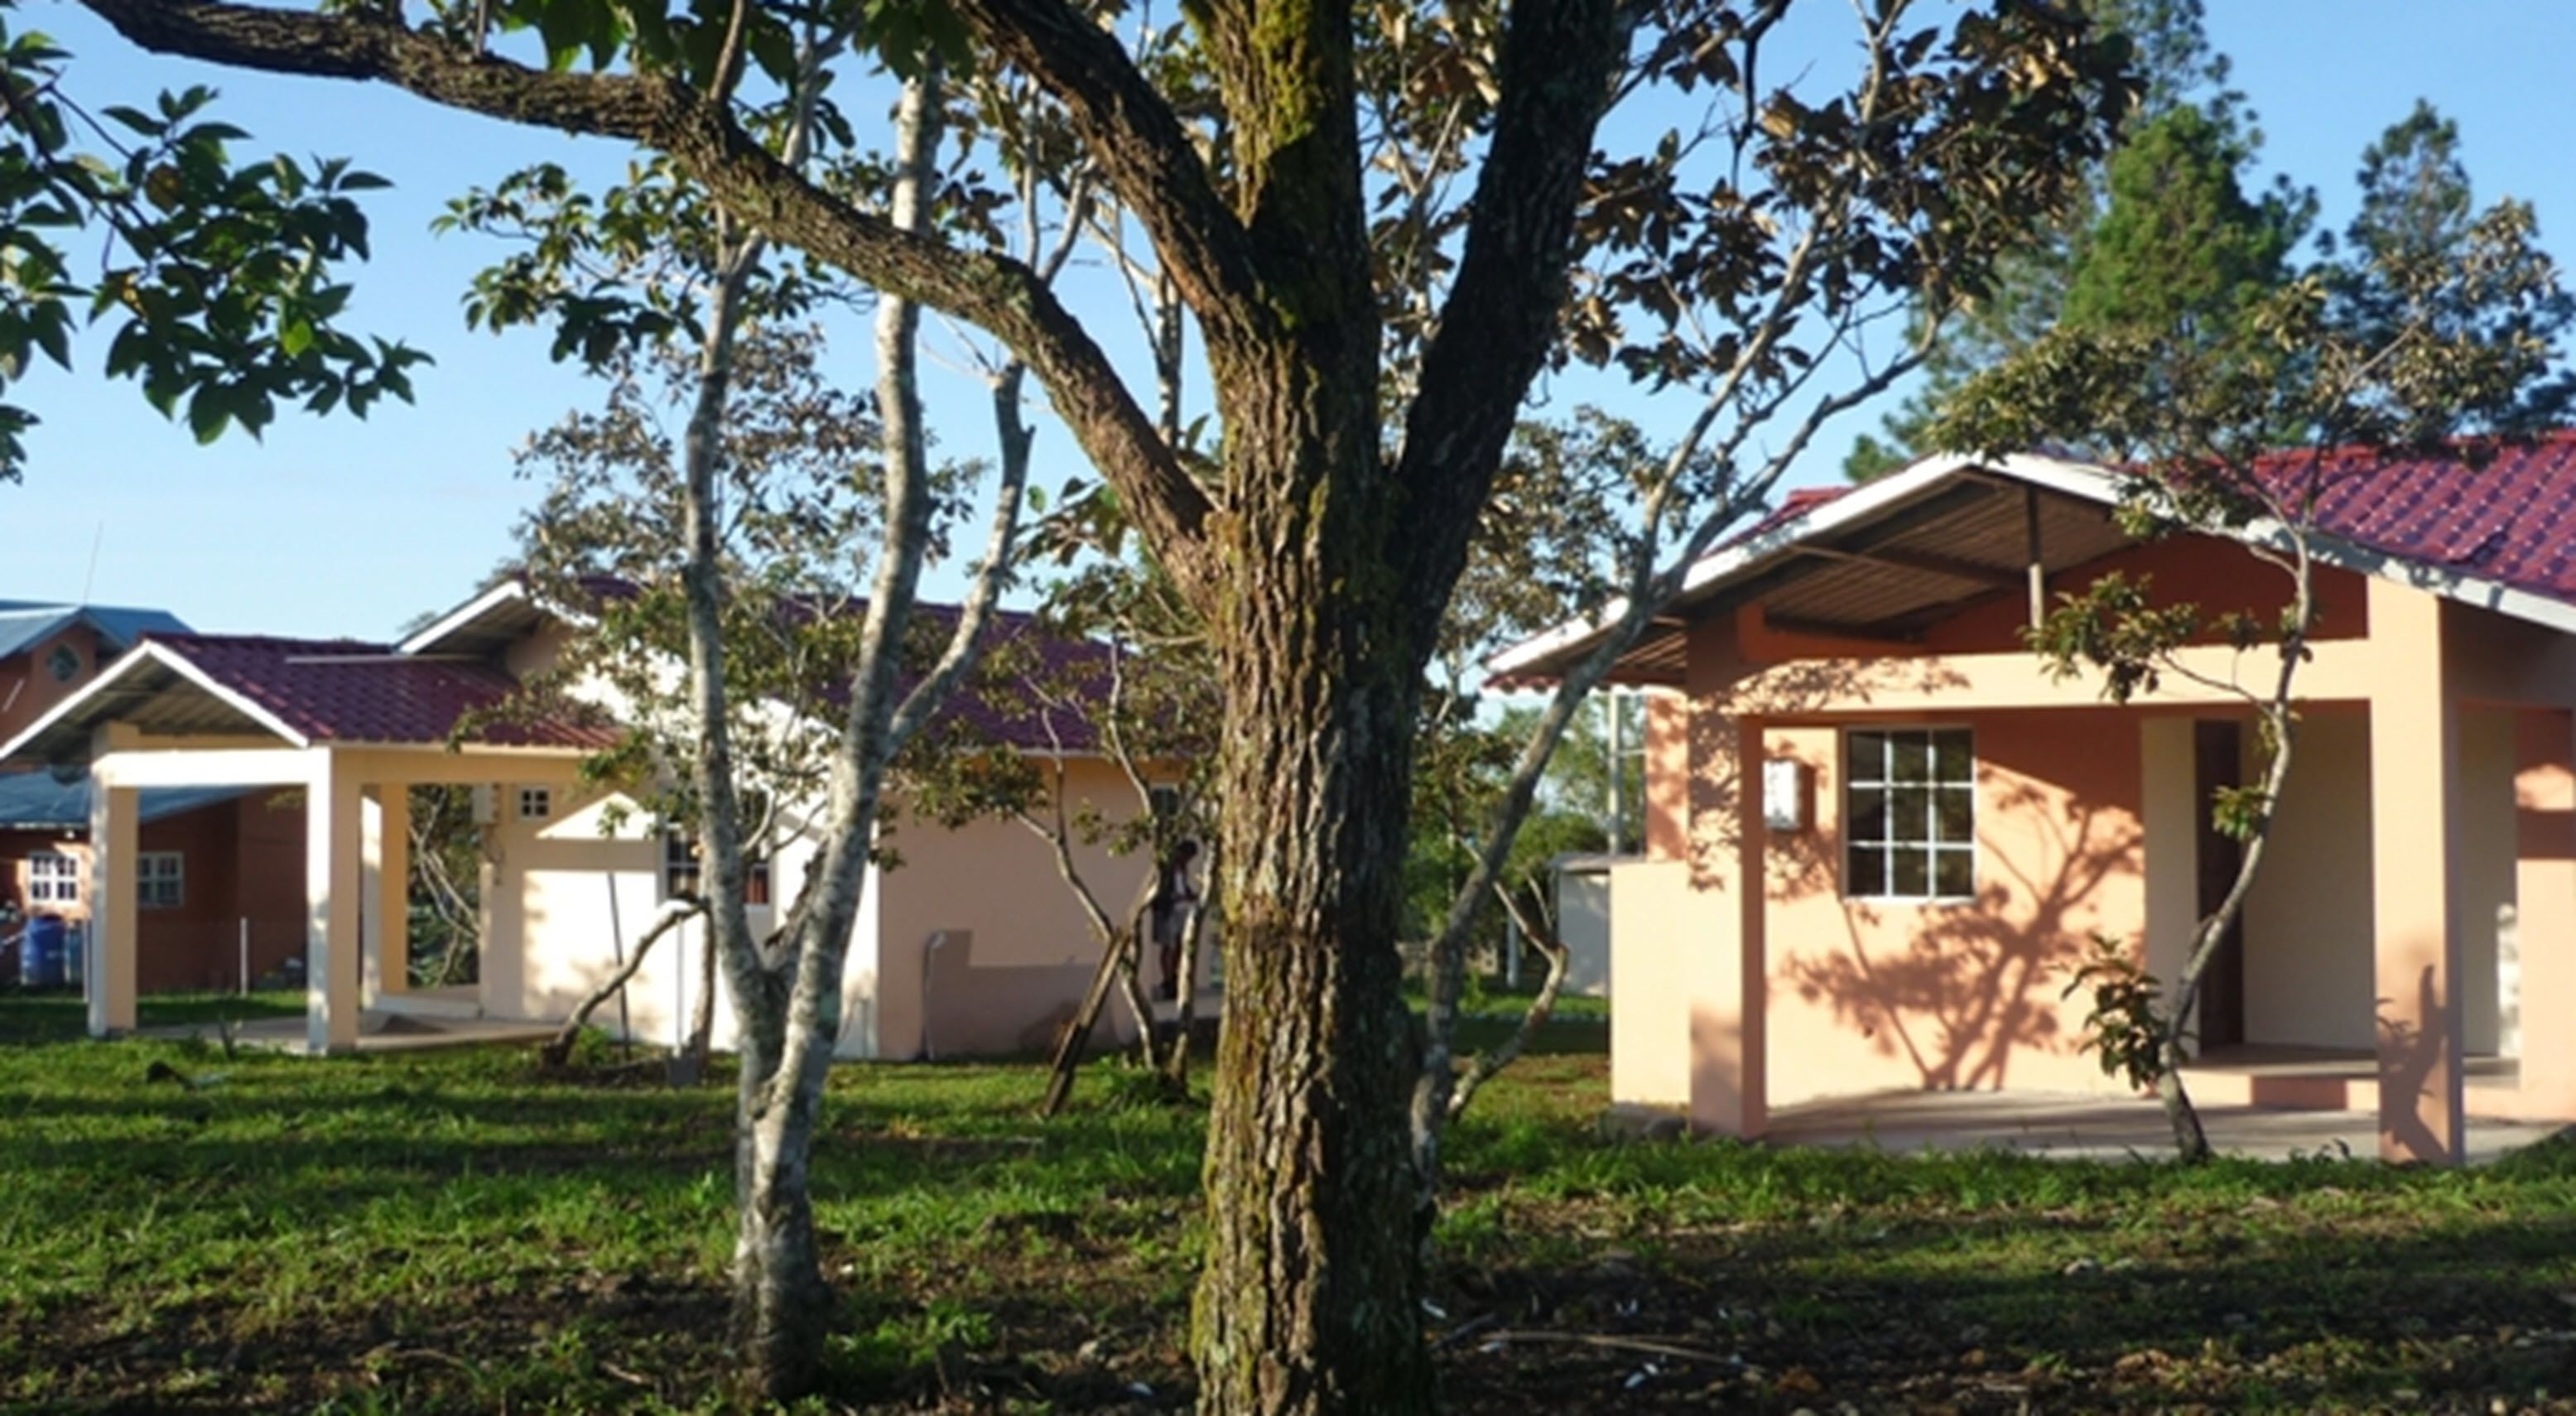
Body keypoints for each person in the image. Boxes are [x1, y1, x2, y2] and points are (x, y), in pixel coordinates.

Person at [1151, 840, 1201, 1002]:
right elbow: (1162, 890)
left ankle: (1175, 974)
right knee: (1168, 946)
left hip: (1180, 909)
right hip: (1167, 910)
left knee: (1179, 944)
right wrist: (1175, 897)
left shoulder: (1183, 869)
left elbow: (1182, 886)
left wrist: (1191, 895)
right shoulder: (1167, 868)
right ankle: (1167, 980)